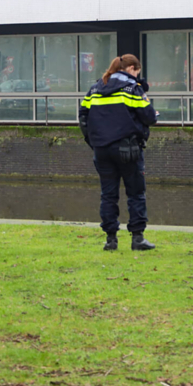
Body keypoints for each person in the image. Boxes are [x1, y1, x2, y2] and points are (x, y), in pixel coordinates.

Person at [78, 54, 157, 251]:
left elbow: (83, 117)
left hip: (102, 150)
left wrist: (94, 142)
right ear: (131, 69)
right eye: (137, 72)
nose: (138, 76)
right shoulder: (132, 89)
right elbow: (149, 116)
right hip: (128, 148)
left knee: (108, 194)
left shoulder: (95, 89)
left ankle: (110, 240)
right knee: (136, 193)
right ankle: (137, 238)